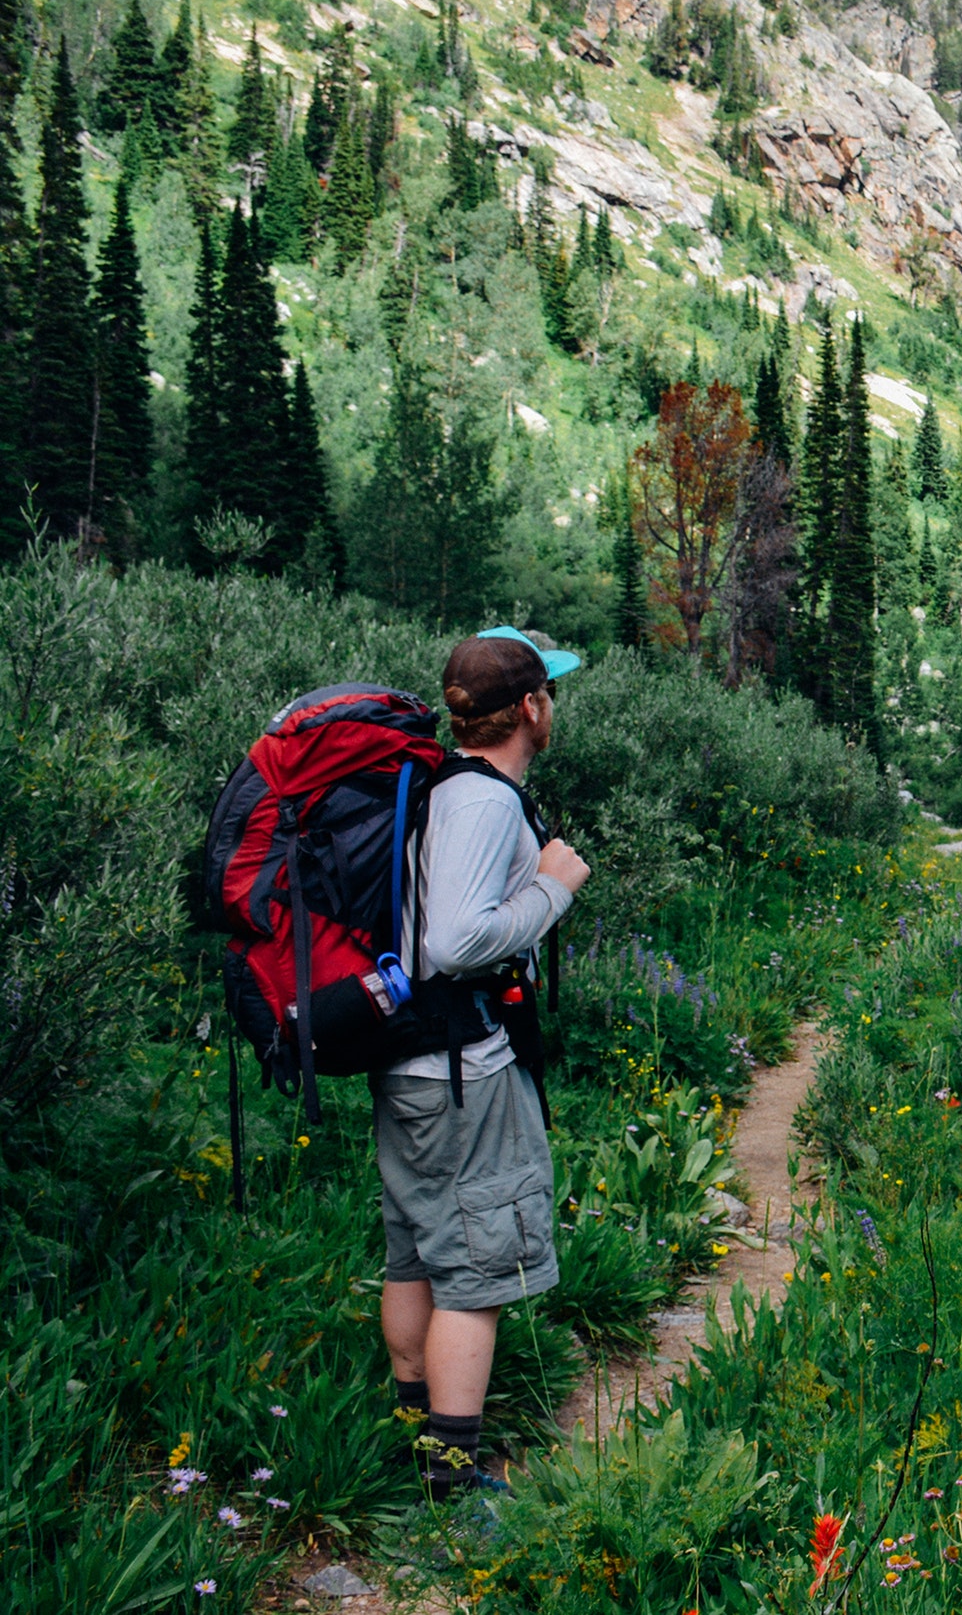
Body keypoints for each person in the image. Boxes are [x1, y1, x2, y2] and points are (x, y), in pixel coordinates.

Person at [378, 627, 591, 1500]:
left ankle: (413, 1436)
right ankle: (454, 1484)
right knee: (475, 1272)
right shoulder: (486, 801)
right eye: (552, 693)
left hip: (417, 1065)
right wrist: (554, 888)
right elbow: (458, 938)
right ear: (531, 707)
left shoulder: (444, 787)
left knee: (418, 1255)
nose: (554, 707)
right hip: (464, 1071)